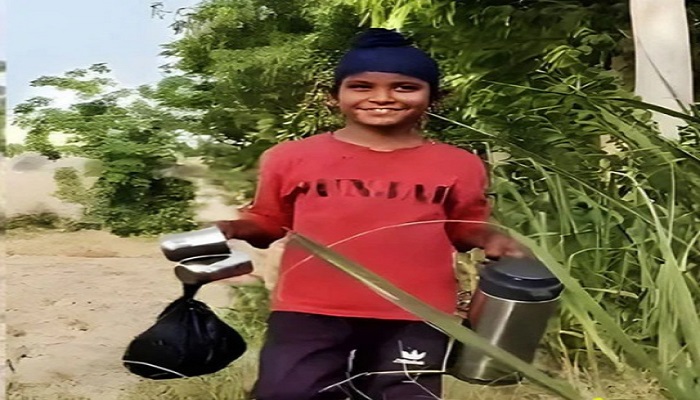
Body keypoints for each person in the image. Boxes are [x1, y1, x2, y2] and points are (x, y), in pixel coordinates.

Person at [216, 28, 528, 400]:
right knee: (288, 393)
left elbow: (465, 227)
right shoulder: (289, 157)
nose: (382, 98)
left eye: (405, 87)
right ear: (334, 96)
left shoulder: (459, 164)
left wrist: (493, 238)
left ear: (435, 97)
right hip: (309, 310)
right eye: (361, 87)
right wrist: (231, 228)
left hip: (416, 313)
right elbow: (268, 222)